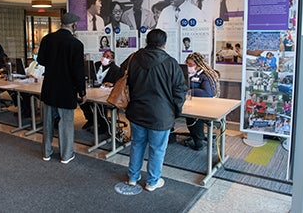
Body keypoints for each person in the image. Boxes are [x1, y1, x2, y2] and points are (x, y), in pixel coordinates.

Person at [121, 28, 187, 191]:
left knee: (137, 144)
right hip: (161, 115)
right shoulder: (171, 62)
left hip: (137, 111)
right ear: (164, 43)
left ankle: (132, 177)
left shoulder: (133, 58)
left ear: (147, 41)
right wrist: (176, 111)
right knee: (157, 149)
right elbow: (180, 90)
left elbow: (122, 77)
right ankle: (152, 182)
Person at [37, 12, 86, 164]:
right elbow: (78, 71)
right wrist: (82, 91)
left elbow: (41, 60)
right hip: (66, 90)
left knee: (47, 123)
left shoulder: (47, 39)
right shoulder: (76, 44)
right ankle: (66, 155)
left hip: (49, 87)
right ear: (73, 25)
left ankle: (46, 152)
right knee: (65, 124)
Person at [181, 52, 220, 151]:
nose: (188, 66)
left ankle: (198, 142)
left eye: (191, 64)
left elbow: (207, 92)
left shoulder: (206, 75)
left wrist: (188, 91)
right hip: (193, 102)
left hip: (206, 106)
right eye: (187, 63)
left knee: (191, 116)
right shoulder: (190, 73)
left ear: (199, 65)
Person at [80, 49, 120, 134]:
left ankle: (103, 125)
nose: (104, 58)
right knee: (82, 100)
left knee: (99, 105)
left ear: (112, 59)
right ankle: (91, 119)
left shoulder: (116, 69)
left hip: (105, 94)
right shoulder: (96, 65)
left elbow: (117, 83)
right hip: (93, 89)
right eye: (104, 55)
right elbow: (90, 75)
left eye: (107, 56)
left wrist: (112, 84)